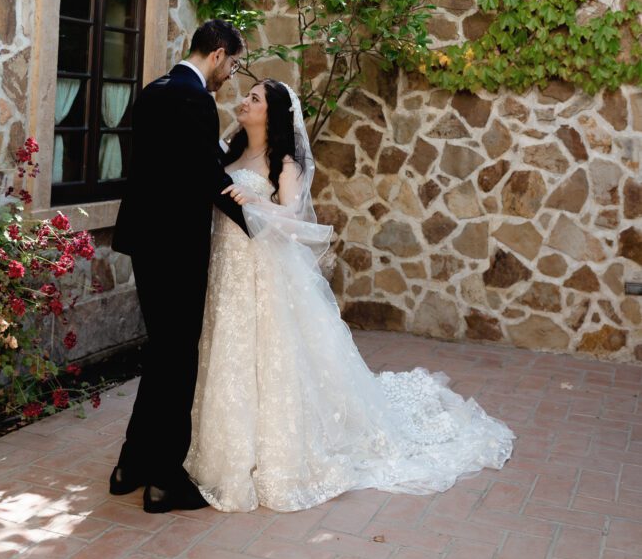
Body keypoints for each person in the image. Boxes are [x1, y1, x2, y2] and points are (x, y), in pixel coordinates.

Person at [187, 79, 514, 512]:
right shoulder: (228, 151)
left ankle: (275, 452)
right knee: (229, 352)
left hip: (262, 271)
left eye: (255, 98)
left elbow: (293, 217)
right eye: (246, 96)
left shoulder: (284, 161)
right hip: (228, 270)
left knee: (271, 355)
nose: (244, 102)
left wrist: (253, 201)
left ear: (273, 113)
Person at [110, 19, 248, 514]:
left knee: (162, 353)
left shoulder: (151, 92)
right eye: (231, 65)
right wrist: (256, 224)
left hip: (145, 243)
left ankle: (131, 465)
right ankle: (166, 480)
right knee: (178, 359)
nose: (229, 75)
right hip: (176, 247)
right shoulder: (195, 99)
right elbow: (205, 177)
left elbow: (147, 163)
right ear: (216, 54)